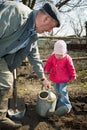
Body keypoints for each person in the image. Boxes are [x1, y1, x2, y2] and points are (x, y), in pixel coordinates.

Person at [0, 1, 61, 129]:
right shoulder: (16, 13)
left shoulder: (32, 35)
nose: (49, 31)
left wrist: (43, 78)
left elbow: (34, 57)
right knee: (5, 81)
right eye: (51, 27)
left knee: (4, 82)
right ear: (45, 18)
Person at [44, 40, 76, 117]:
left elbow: (71, 68)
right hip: (55, 78)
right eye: (57, 55)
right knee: (57, 91)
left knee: (62, 91)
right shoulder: (52, 57)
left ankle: (67, 106)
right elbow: (48, 63)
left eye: (61, 55)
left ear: (65, 53)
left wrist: (73, 75)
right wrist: (46, 69)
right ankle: (60, 104)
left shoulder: (67, 58)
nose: (59, 57)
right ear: (54, 52)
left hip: (64, 79)